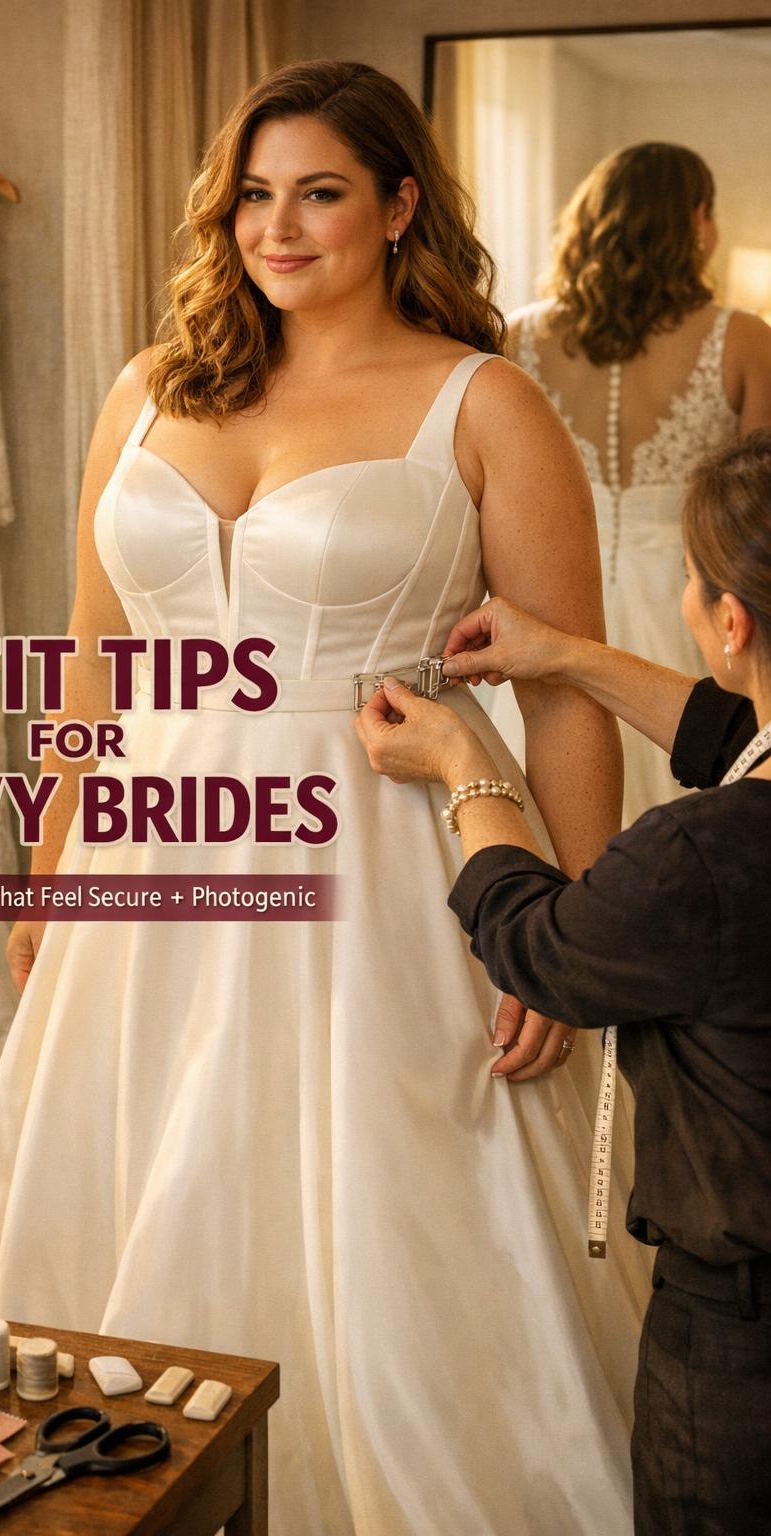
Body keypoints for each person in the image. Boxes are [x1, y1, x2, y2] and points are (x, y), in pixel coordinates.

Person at [0, 61, 651, 1533]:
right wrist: (51, 857)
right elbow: (94, 652)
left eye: (321, 192)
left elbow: (562, 690)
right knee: (138, 1169)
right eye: (256, 194)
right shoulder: (151, 385)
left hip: (386, 857)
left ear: (397, 206)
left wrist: (573, 939)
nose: (281, 226)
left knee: (392, 1211)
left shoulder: (486, 402)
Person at [354, 430, 771, 1536]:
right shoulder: (741, 792)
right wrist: (564, 656)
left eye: (690, 581)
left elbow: (538, 944)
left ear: (728, 622)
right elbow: (723, 730)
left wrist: (465, 768)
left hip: (740, 1349)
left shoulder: (702, 859)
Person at [506, 142, 771, 824]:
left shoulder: (517, 339)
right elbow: (756, 507)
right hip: (691, 600)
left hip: (549, 590)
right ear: (697, 221)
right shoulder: (743, 339)